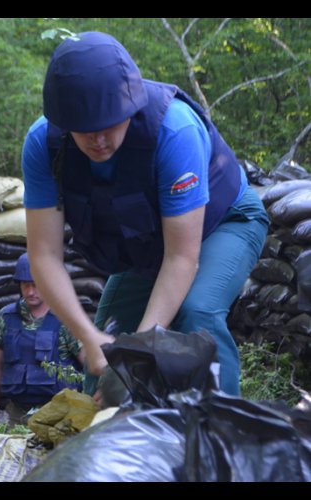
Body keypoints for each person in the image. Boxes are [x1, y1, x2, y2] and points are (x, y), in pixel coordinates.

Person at [22, 31, 269, 398]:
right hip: (152, 245)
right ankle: (111, 448)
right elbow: (43, 255)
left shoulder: (175, 129)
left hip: (224, 223)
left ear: (131, 105)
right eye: (85, 130)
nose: (99, 140)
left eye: (109, 124)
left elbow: (183, 257)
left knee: (196, 314)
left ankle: (225, 436)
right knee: (108, 348)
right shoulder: (44, 145)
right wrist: (88, 336)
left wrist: (139, 352)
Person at [0, 253, 83, 432]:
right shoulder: (6, 317)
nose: (30, 292)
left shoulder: (65, 318)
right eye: (25, 285)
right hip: (18, 414)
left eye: (36, 285)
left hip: (58, 417)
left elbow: (90, 363)